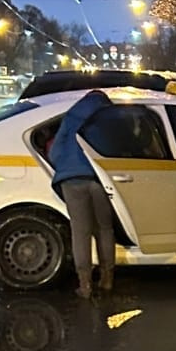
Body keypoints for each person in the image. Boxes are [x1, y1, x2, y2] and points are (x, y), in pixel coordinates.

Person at [48, 90, 118, 299]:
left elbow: (55, 152)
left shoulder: (71, 117)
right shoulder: (109, 118)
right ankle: (107, 278)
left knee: (81, 232)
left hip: (72, 180)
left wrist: (66, 166)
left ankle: (85, 284)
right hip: (100, 179)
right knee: (105, 228)